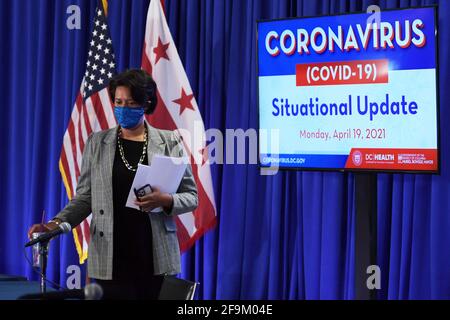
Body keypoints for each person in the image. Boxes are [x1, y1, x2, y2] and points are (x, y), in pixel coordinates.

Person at [27, 69, 198, 299]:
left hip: (154, 255)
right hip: (110, 256)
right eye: (118, 102)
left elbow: (191, 196)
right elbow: (85, 197)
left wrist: (166, 200)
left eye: (131, 102)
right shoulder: (98, 142)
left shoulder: (169, 141)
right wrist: (56, 223)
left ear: (146, 103)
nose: (123, 109)